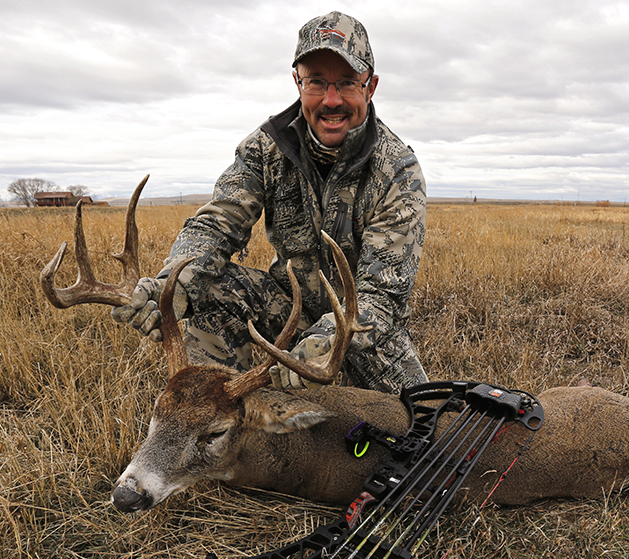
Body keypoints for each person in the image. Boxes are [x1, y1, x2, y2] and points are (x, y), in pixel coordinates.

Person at [113, 11, 427, 394]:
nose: (331, 100)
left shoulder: (397, 170)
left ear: (370, 87)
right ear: (297, 83)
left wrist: (326, 341)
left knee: (421, 430)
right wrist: (174, 284)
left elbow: (381, 297)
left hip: (361, 333)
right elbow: (216, 224)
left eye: (346, 83)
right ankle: (231, 419)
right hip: (285, 316)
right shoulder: (265, 148)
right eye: (316, 82)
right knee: (207, 292)